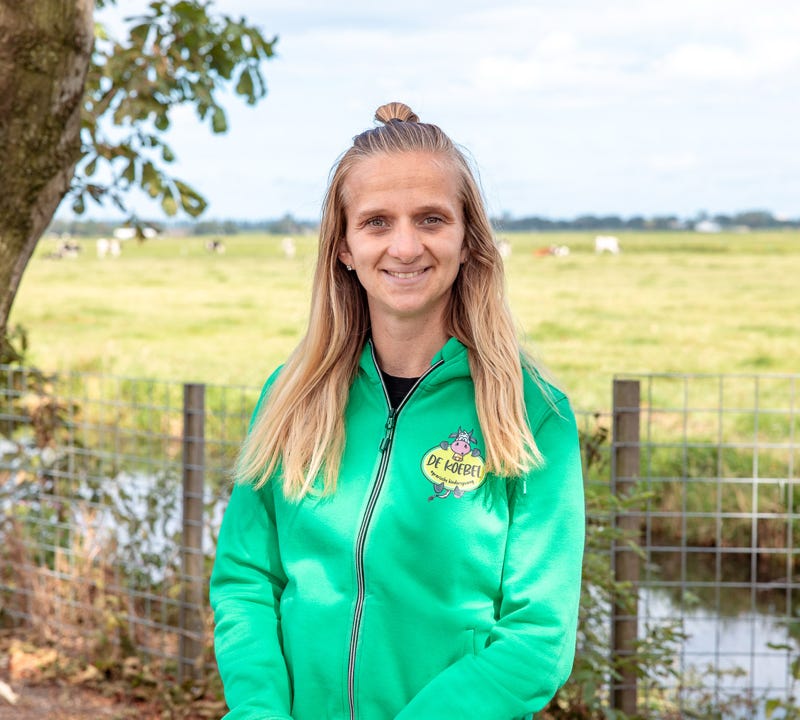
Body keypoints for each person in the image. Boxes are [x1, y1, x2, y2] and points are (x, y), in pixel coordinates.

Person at [210, 102, 585, 720]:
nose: (405, 246)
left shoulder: (532, 415)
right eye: (377, 221)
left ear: (468, 241)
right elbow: (247, 583)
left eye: (431, 219)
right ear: (344, 249)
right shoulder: (288, 397)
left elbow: (537, 639)